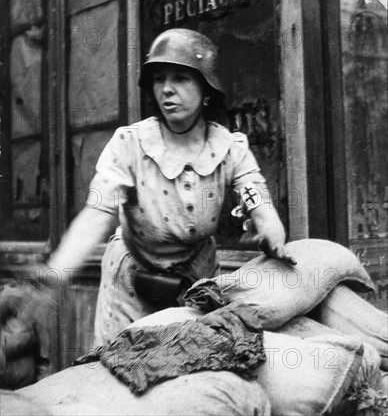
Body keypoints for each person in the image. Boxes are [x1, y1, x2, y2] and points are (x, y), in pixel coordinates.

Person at [29, 29, 296, 345]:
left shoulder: (231, 148)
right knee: (123, 372)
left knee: (193, 369)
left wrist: (272, 233)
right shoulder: (128, 145)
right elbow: (96, 216)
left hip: (196, 281)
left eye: (181, 78)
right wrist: (53, 275)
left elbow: (257, 197)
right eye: (159, 79)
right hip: (129, 283)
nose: (167, 89)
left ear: (206, 89)